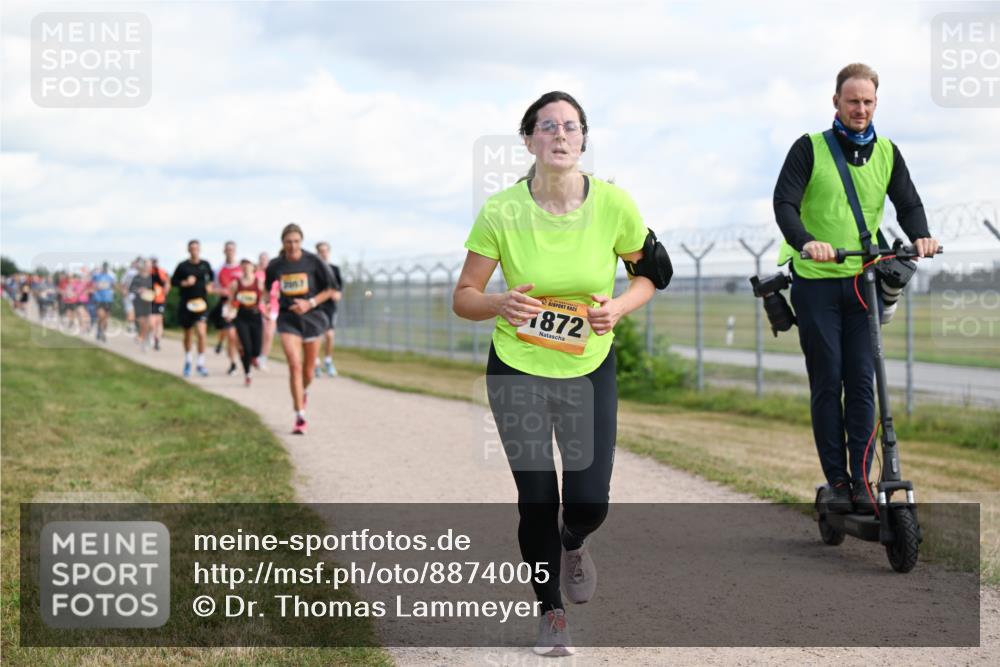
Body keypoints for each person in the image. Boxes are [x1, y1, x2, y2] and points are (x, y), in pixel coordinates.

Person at [453, 91, 656, 657]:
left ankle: (575, 541)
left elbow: (647, 277)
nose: (560, 136)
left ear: (584, 139)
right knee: (537, 495)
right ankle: (551, 612)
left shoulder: (615, 204)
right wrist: (499, 304)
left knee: (589, 501)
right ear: (529, 141)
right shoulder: (502, 210)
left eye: (570, 127)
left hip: (589, 365)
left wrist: (618, 307)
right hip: (517, 366)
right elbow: (463, 297)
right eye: (548, 127)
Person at [774, 63, 940, 514]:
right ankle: (839, 481)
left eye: (868, 102)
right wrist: (807, 242)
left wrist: (921, 234)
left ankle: (865, 483)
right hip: (816, 284)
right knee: (828, 378)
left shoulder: (888, 152)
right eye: (853, 101)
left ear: (875, 104)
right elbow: (785, 202)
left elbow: (908, 202)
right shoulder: (808, 149)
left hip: (863, 280)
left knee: (863, 382)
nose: (860, 109)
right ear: (836, 103)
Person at [264, 223, 336, 434]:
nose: (293, 246)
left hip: (313, 318)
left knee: (308, 371)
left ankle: (302, 392)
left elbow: (331, 289)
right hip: (288, 319)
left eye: (296, 241)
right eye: (288, 242)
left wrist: (309, 303)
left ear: (301, 242)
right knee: (294, 364)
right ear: (282, 243)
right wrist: (268, 303)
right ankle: (300, 415)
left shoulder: (314, 261)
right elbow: (268, 289)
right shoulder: (276, 265)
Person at [171, 239, 215, 377]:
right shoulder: (183, 266)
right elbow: (173, 281)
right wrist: (184, 283)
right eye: (192, 248)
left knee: (201, 333)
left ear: (199, 249)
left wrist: (210, 286)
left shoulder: (205, 264)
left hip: (201, 303)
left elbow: (212, 278)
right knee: (188, 334)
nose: (194, 250)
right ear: (188, 250)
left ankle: (201, 363)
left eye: (196, 248)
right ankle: (189, 360)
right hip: (186, 304)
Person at [228, 258, 265, 386]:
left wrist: (266, 310)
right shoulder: (235, 283)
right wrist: (230, 312)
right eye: (243, 265)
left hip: (256, 316)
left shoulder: (259, 283)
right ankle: (247, 374)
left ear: (253, 267)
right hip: (241, 317)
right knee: (246, 347)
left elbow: (265, 299)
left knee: (257, 349)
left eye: (248, 264)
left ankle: (254, 358)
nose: (245, 267)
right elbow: (231, 301)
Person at [211, 241, 243, 375]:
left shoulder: (241, 268)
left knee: (237, 337)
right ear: (224, 251)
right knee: (230, 334)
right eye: (227, 250)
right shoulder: (219, 269)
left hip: (241, 304)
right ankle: (233, 364)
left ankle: (221, 344)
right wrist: (221, 291)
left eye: (232, 250)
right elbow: (212, 287)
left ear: (235, 251)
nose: (230, 252)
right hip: (226, 304)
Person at [314, 241, 343, 377]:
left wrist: (337, 294)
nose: (323, 253)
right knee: (317, 336)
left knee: (329, 335)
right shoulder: (314, 270)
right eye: (321, 251)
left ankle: (328, 361)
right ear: (317, 253)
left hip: (330, 307)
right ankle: (315, 363)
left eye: (326, 251)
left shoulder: (335, 269)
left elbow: (339, 289)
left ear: (329, 252)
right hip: (317, 306)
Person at [256, 251, 279, 371]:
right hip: (260, 306)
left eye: (266, 259)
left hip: (273, 307)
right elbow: (260, 290)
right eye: (261, 259)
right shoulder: (258, 275)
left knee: (269, 334)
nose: (264, 261)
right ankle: (255, 356)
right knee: (260, 334)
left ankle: (263, 358)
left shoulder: (275, 275)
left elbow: (278, 291)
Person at [130, 259, 155, 351]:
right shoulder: (137, 277)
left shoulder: (152, 278)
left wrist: (151, 292)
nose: (147, 267)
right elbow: (131, 288)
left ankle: (147, 337)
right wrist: (139, 290)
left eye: (149, 266)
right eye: (146, 265)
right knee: (141, 322)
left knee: (150, 323)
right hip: (138, 302)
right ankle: (144, 338)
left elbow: (157, 290)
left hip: (149, 303)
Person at [90, 262, 116, 342]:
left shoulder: (110, 277)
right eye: (103, 267)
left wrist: (112, 290)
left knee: (105, 318)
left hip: (108, 300)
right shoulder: (96, 276)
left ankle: (102, 332)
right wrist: (95, 287)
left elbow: (114, 286)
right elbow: (90, 281)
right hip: (99, 299)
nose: (104, 269)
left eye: (106, 267)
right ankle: (100, 332)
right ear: (102, 268)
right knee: (101, 316)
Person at [150, 256, 170, 351]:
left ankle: (157, 340)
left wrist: (165, 293)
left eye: (155, 262)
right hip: (149, 300)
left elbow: (167, 284)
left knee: (159, 320)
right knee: (152, 322)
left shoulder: (162, 271)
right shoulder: (146, 273)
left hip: (160, 300)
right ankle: (152, 337)